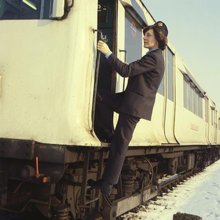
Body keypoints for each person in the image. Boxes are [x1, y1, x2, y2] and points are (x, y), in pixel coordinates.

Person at [88, 21, 168, 196]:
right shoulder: (154, 56)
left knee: (120, 145)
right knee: (99, 96)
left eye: (148, 35)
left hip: (133, 107)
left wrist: (108, 53)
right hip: (128, 100)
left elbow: (126, 71)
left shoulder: (154, 57)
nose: (144, 38)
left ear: (157, 40)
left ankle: (107, 184)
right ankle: (108, 132)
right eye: (145, 35)